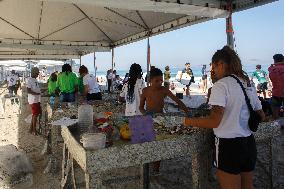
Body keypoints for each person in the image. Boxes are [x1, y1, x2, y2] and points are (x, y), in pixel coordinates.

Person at [183, 46, 265, 189]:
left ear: (221, 64)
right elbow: (261, 115)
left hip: (229, 146)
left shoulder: (221, 85)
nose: (213, 71)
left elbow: (214, 121)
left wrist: (187, 121)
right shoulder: (247, 83)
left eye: (214, 67)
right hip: (249, 143)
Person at [268, 54, 284, 120]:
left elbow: (269, 68)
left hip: (276, 93)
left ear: (274, 60)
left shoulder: (271, 69)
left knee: (275, 115)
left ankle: (278, 126)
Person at [27, 67, 41, 135]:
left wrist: (40, 92)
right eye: (37, 73)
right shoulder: (30, 80)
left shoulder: (35, 79)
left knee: (35, 114)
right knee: (35, 115)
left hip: (37, 99)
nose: (37, 75)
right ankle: (34, 130)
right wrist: (37, 93)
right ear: (33, 73)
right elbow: (28, 90)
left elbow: (36, 89)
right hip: (33, 100)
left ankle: (31, 129)